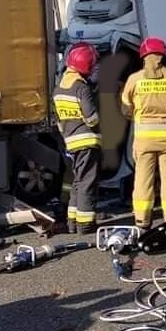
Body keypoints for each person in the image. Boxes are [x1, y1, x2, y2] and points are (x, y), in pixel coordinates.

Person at [121, 37, 166, 231]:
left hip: (144, 140)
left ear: (144, 57)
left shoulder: (134, 79)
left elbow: (126, 110)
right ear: (164, 56)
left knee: (143, 180)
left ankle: (142, 222)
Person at [53, 43, 101, 234]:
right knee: (88, 182)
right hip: (88, 142)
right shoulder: (81, 88)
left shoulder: (59, 89)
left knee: (77, 182)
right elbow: (91, 118)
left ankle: (72, 222)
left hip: (70, 141)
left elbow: (58, 120)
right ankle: (86, 224)